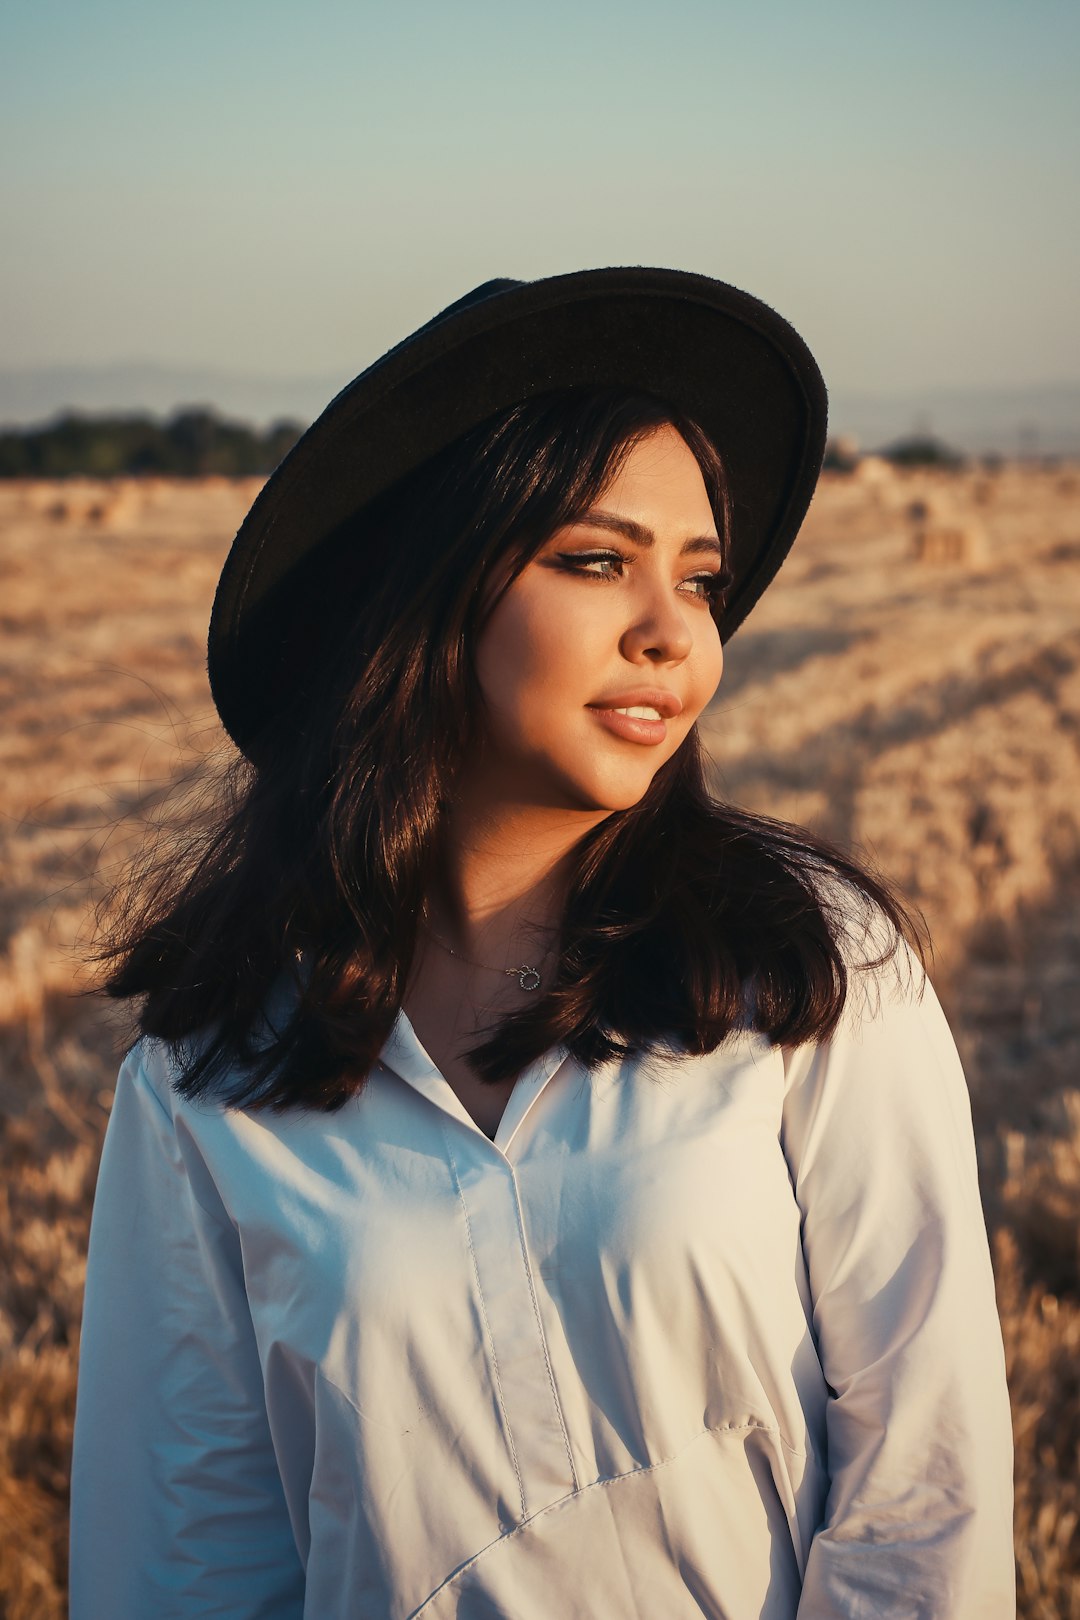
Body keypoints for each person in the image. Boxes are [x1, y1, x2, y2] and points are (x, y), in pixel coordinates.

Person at [69, 269, 1015, 1618]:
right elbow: (184, 1562)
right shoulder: (207, 1078)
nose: (673, 631)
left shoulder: (805, 969)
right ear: (424, 594)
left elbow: (928, 1489)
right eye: (594, 560)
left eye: (700, 578)